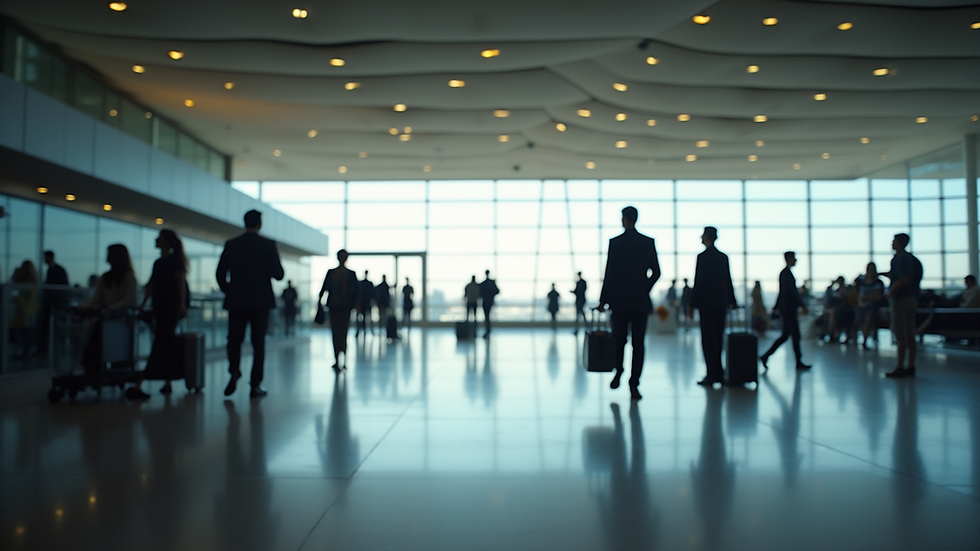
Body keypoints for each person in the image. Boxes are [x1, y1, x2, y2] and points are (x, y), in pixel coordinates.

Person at [217, 210, 285, 398]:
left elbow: (220, 274)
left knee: (234, 340)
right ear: (260, 224)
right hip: (260, 302)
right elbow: (279, 274)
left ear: (244, 222)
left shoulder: (232, 244)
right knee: (258, 344)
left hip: (236, 301)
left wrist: (230, 291)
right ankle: (255, 385)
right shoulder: (268, 245)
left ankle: (234, 371)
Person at [597, 206, 661, 401]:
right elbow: (656, 272)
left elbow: (609, 274)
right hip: (640, 301)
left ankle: (619, 370)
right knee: (638, 343)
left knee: (619, 339)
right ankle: (634, 384)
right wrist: (644, 288)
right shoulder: (647, 242)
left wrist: (603, 300)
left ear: (624, 219)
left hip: (619, 301)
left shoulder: (615, 243)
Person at [127, 230, 188, 400]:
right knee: (165, 343)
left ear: (166, 242)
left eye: (159, 238)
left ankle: (142, 382)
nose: (156, 240)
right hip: (162, 308)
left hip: (169, 308)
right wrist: (143, 303)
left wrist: (181, 305)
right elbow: (152, 285)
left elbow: (179, 283)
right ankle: (167, 382)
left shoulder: (173, 261)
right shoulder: (161, 262)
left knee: (161, 342)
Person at [688, 226, 737, 387]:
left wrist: (692, 304)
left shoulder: (702, 257)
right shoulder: (723, 257)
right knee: (718, 338)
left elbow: (699, 282)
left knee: (708, 340)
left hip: (706, 305)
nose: (700, 238)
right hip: (721, 304)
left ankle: (712, 374)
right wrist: (732, 300)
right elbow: (727, 280)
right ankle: (719, 373)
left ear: (707, 237)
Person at [77, 245, 138, 374]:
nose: (107, 256)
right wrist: (84, 307)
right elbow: (96, 299)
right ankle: (93, 369)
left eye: (110, 254)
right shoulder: (106, 278)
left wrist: (108, 309)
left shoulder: (128, 277)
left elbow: (129, 300)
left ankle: (96, 369)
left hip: (119, 320)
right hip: (106, 319)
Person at [880, 233, 923, 378]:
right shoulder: (913, 259)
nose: (891, 243)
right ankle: (910, 366)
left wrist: (890, 294)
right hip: (912, 299)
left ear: (899, 243)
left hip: (900, 300)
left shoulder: (899, 259)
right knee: (910, 334)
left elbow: (904, 279)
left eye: (893, 241)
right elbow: (906, 276)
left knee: (901, 335)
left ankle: (900, 366)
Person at [760, 251, 810, 371]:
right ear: (789, 259)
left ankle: (766, 356)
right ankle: (797, 361)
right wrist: (802, 305)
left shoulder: (785, 273)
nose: (796, 261)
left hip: (786, 309)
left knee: (785, 336)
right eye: (794, 258)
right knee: (794, 335)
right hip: (789, 309)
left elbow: (782, 293)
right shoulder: (786, 274)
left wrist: (776, 307)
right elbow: (791, 292)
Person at [319, 249, 358, 371]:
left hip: (341, 307)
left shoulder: (345, 274)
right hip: (338, 306)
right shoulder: (335, 273)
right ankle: (339, 359)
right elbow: (325, 288)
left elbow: (356, 292)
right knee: (339, 333)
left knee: (340, 333)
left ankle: (341, 359)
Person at [38, 251, 69, 357]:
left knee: (54, 328)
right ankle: (47, 351)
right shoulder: (52, 270)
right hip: (51, 304)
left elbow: (62, 288)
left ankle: (53, 351)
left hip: (56, 305)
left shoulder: (57, 270)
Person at [9, 260, 38, 357]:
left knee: (25, 333)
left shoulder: (30, 282)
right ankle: (23, 351)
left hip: (26, 310)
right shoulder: (28, 280)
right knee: (22, 332)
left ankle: (24, 351)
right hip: (23, 310)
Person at [855, 263, 885, 349]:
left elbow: (880, 296)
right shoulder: (862, 282)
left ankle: (864, 339)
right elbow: (859, 293)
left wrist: (871, 297)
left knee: (868, 319)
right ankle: (865, 336)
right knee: (859, 320)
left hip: (873, 306)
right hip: (862, 305)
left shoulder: (878, 282)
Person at [479, 270, 499, 338]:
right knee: (488, 316)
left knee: (486, 316)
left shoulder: (483, 283)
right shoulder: (492, 283)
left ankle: (487, 330)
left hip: (485, 301)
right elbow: (497, 291)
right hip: (490, 301)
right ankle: (488, 330)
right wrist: (491, 295)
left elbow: (479, 293)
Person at [356, 271, 374, 336]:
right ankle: (366, 330)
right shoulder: (369, 284)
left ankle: (359, 331)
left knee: (361, 317)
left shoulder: (361, 283)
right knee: (366, 317)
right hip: (365, 302)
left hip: (363, 302)